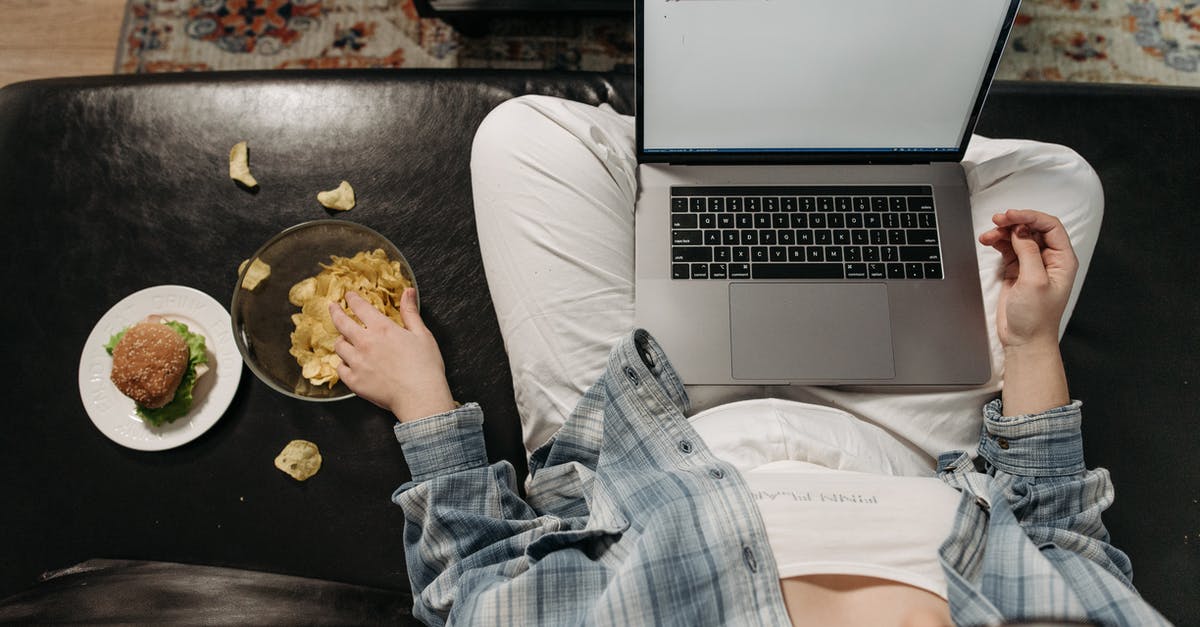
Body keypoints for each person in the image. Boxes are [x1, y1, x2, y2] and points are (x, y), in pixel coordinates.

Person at [327, 96, 1170, 626]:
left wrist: (422, 400)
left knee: (527, 135)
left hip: (641, 434)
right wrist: (1028, 339)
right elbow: (1060, 532)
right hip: (912, 443)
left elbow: (470, 585)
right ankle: (817, 145)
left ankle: (729, 144)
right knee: (1062, 183)